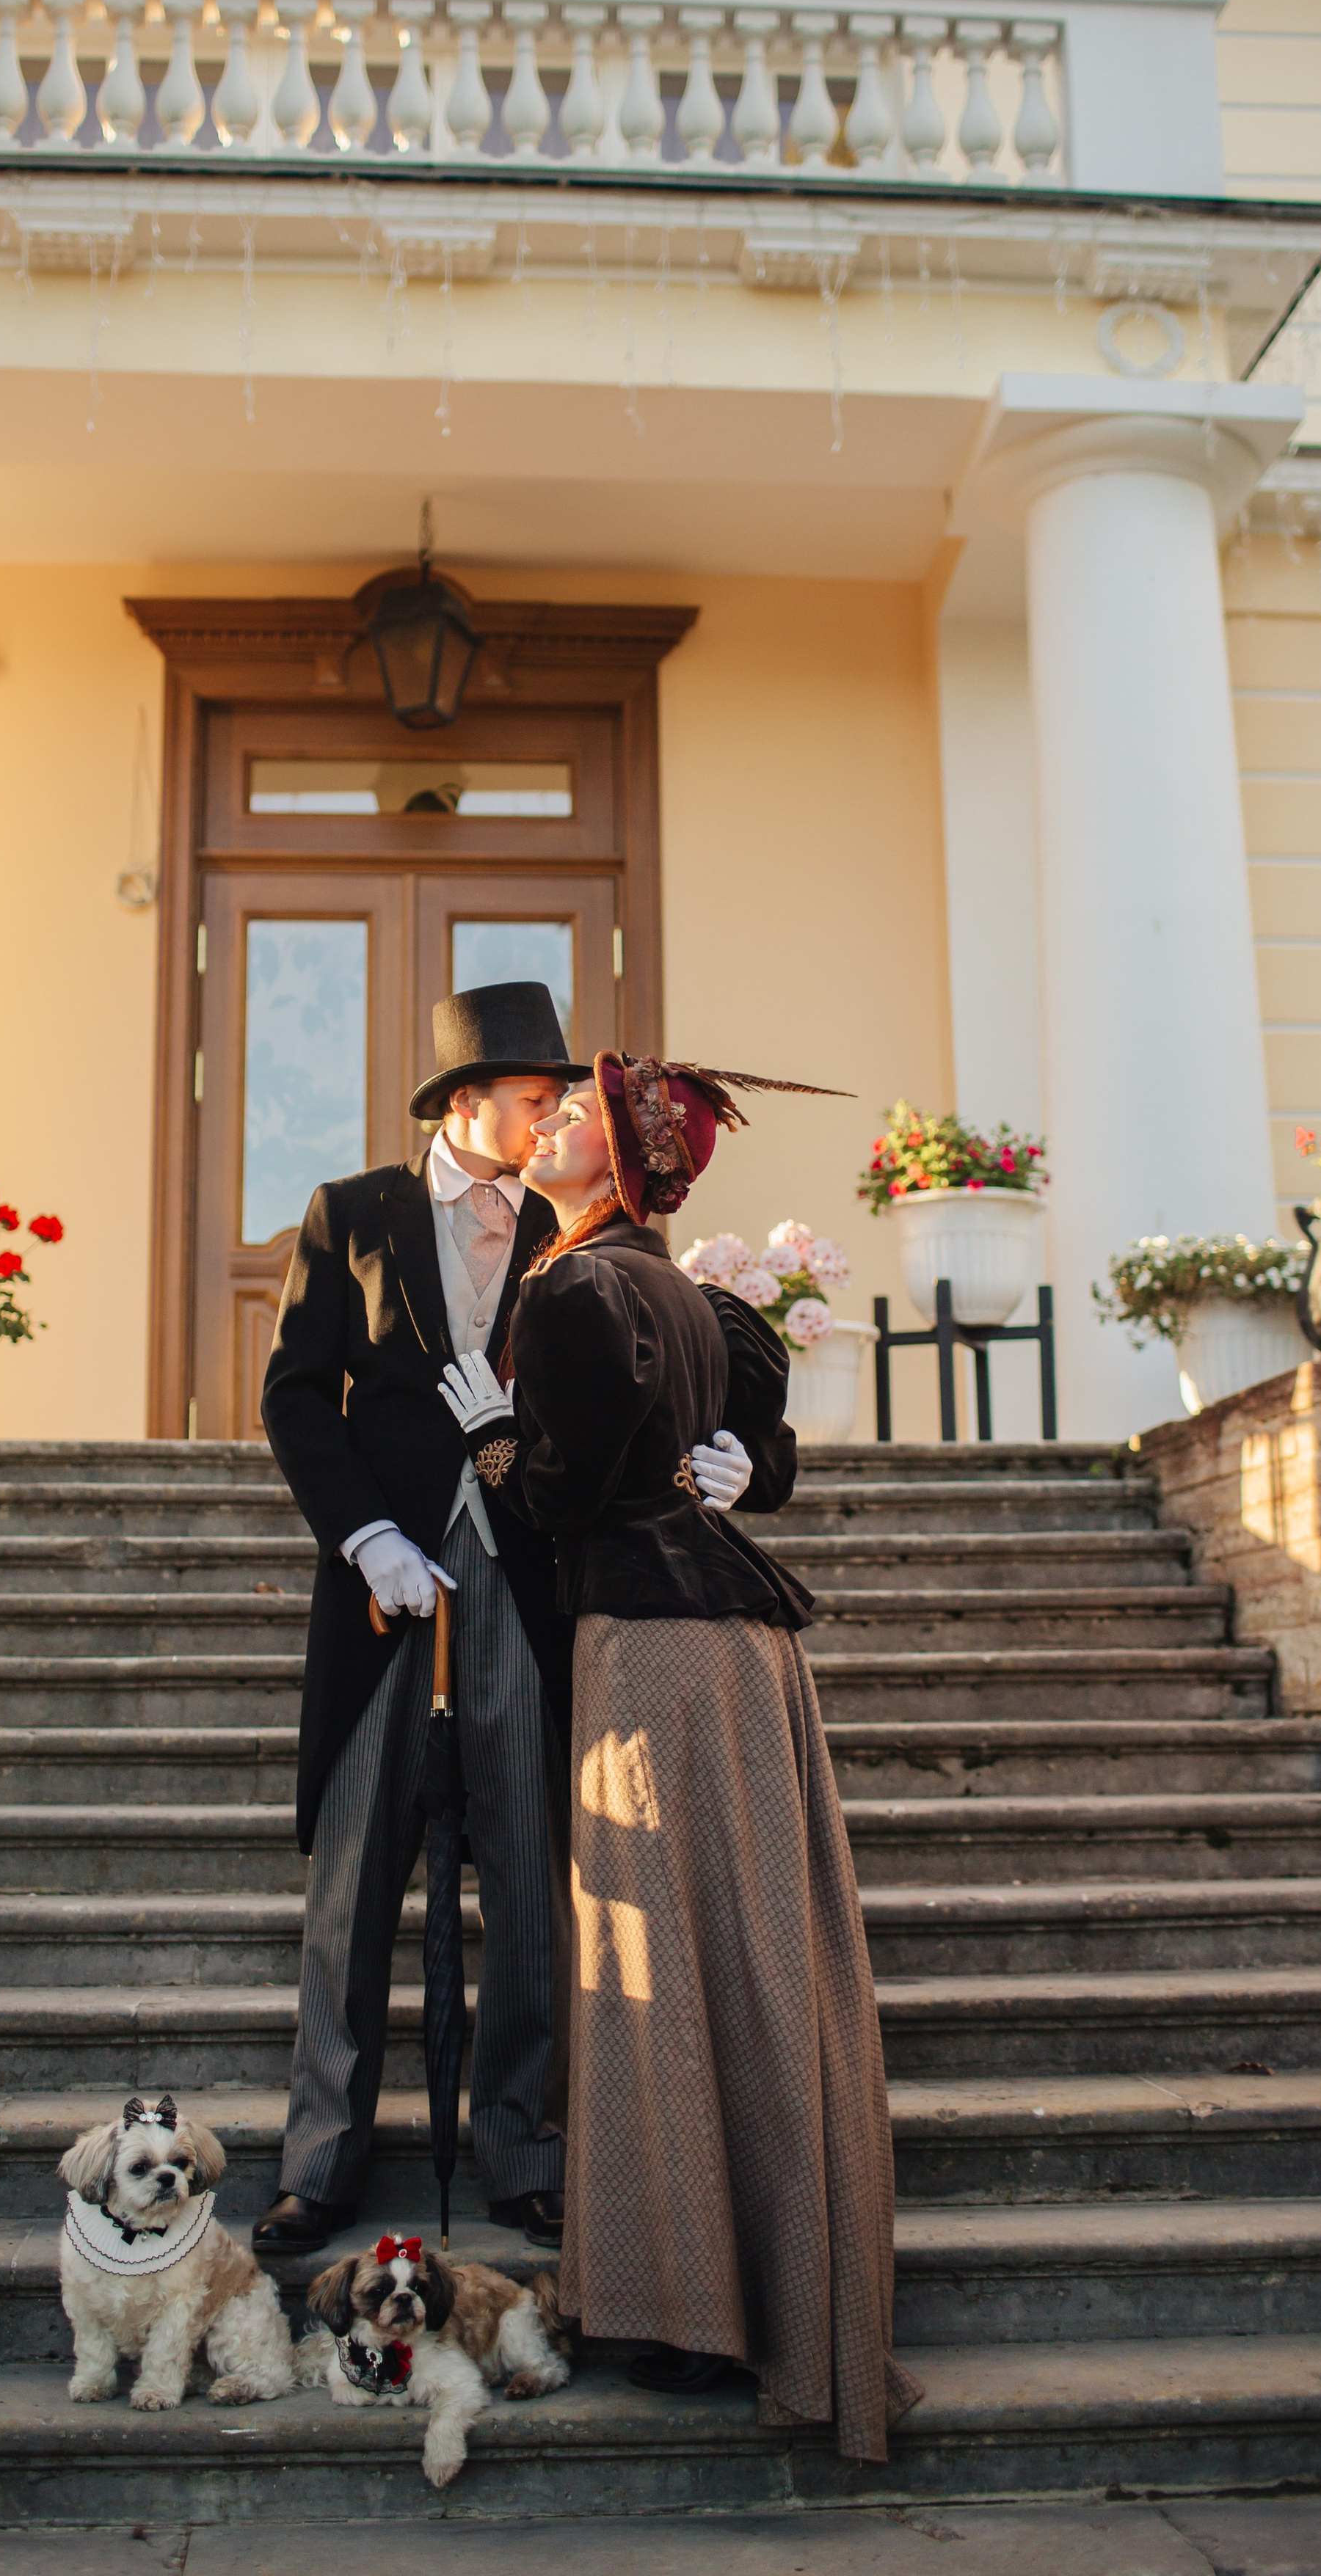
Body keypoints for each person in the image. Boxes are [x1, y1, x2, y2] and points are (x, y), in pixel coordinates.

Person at [438, 1050, 923, 2463]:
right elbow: (736, 1428)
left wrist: (491, 1442)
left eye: (577, 1112)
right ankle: (720, 2285)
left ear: (632, 1163)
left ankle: (685, 2311)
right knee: (738, 1960)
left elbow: (565, 1494)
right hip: (721, 1638)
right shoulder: (688, 1292)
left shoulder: (584, 1288)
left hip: (655, 1648)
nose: (552, 1122)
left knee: (653, 1966)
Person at [255, 984, 757, 2255]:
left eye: (561, 1104)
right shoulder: (351, 1213)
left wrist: (742, 1447)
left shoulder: (576, 1221)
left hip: (531, 1588)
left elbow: (681, 1366)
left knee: (536, 1885)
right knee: (356, 1877)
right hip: (386, 1595)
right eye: (537, 1099)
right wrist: (366, 1536)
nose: (552, 1121)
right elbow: (301, 1396)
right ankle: (321, 2160)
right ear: (467, 1101)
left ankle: (526, 2149)